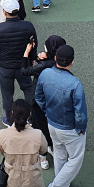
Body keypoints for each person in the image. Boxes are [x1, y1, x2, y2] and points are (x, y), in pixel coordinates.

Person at [35, 45, 87, 187]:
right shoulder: (74, 83)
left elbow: (39, 97)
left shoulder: (44, 74)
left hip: (52, 122)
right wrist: (80, 128)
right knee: (75, 159)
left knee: (59, 153)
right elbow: (80, 111)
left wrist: (47, 111)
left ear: (55, 59)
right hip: (70, 127)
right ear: (71, 62)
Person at [0, 0, 37, 124]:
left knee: (7, 94)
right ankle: (31, 117)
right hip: (23, 65)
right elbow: (33, 44)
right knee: (28, 89)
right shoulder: (28, 26)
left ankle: (9, 120)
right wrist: (32, 59)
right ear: (18, 10)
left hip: (5, 67)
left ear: (4, 12)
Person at [21, 34, 68, 171]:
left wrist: (27, 52)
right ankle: (54, 148)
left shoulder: (44, 65)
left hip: (39, 100)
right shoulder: (59, 63)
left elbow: (26, 71)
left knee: (39, 128)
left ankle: (43, 157)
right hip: (55, 100)